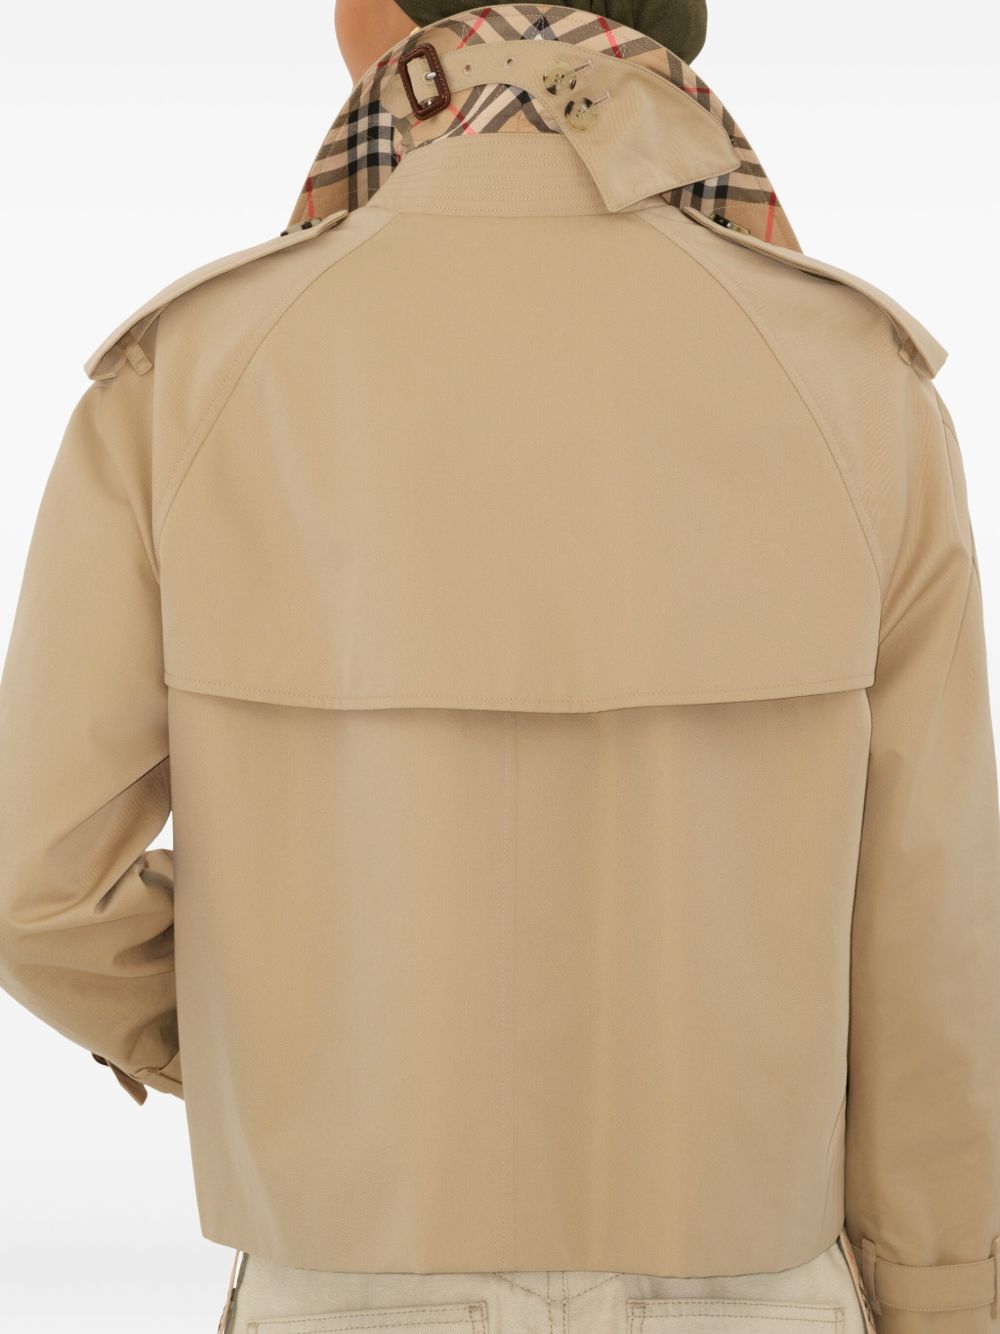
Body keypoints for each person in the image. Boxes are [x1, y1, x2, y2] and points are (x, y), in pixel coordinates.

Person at [1, 2, 998, 1332]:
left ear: (399, 23)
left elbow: (33, 882)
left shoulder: (187, 374)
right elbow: (934, 939)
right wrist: (945, 1291)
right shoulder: (860, 385)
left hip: (343, 1263)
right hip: (754, 1273)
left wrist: (281, 1037)